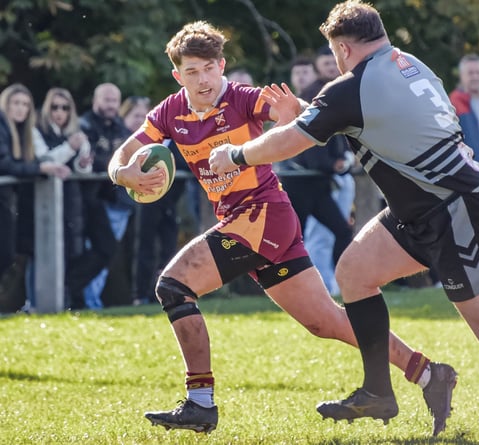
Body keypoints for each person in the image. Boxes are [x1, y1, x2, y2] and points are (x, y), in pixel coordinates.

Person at [209, 1, 479, 439]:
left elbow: (296, 139)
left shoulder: (352, 87)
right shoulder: (412, 65)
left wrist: (235, 155)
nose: (335, 62)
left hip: (457, 214)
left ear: (344, 48)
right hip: (428, 210)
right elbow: (353, 117)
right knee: (354, 273)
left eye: (334, 53)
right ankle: (377, 391)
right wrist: (310, 112)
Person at [109, 20, 457, 436]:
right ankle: (428, 374)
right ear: (177, 75)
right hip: (252, 221)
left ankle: (200, 401)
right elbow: (122, 155)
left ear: (222, 66)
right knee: (325, 322)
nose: (203, 80)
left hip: (261, 213)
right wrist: (124, 174)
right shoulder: (169, 112)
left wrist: (289, 118)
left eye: (208, 68)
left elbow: (295, 118)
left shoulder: (241, 99)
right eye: (192, 72)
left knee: (173, 286)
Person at [281, 45, 355, 295]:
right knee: (296, 239)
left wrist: (339, 160)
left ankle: (339, 283)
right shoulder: (315, 97)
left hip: (319, 184)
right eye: (325, 65)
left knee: (339, 231)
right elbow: (310, 143)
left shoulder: (334, 93)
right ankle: (294, 288)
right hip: (301, 183)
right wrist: (330, 163)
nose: (331, 70)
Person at [0, 84, 71, 311]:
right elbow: (6, 165)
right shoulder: (2, 127)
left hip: (8, 201)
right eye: (16, 103)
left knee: (9, 254)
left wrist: (42, 166)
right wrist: (42, 168)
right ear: (6, 104)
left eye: (25, 104)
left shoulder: (23, 132)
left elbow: (19, 163)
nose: (20, 109)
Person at [66, 82, 132, 310]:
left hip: (102, 200)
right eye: (107, 100)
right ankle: (71, 295)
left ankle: (71, 290)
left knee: (106, 249)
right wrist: (114, 166)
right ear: (96, 101)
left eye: (115, 100)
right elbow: (92, 160)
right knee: (76, 248)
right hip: (78, 198)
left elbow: (127, 156)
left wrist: (112, 166)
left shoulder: (119, 127)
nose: (112, 105)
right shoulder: (84, 125)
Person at [122, 96, 189, 305]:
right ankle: (140, 294)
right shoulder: (135, 142)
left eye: (143, 115)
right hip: (144, 201)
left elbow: (186, 164)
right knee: (145, 246)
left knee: (169, 247)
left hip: (169, 202)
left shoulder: (175, 139)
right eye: (136, 116)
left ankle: (163, 293)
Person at [32, 87, 92, 310]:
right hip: (43, 203)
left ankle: (67, 300)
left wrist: (83, 161)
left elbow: (83, 168)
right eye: (55, 107)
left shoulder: (76, 132)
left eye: (65, 108)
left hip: (71, 200)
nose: (59, 112)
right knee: (41, 255)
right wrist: (70, 148)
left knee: (73, 251)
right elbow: (46, 160)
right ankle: (39, 304)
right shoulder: (37, 130)